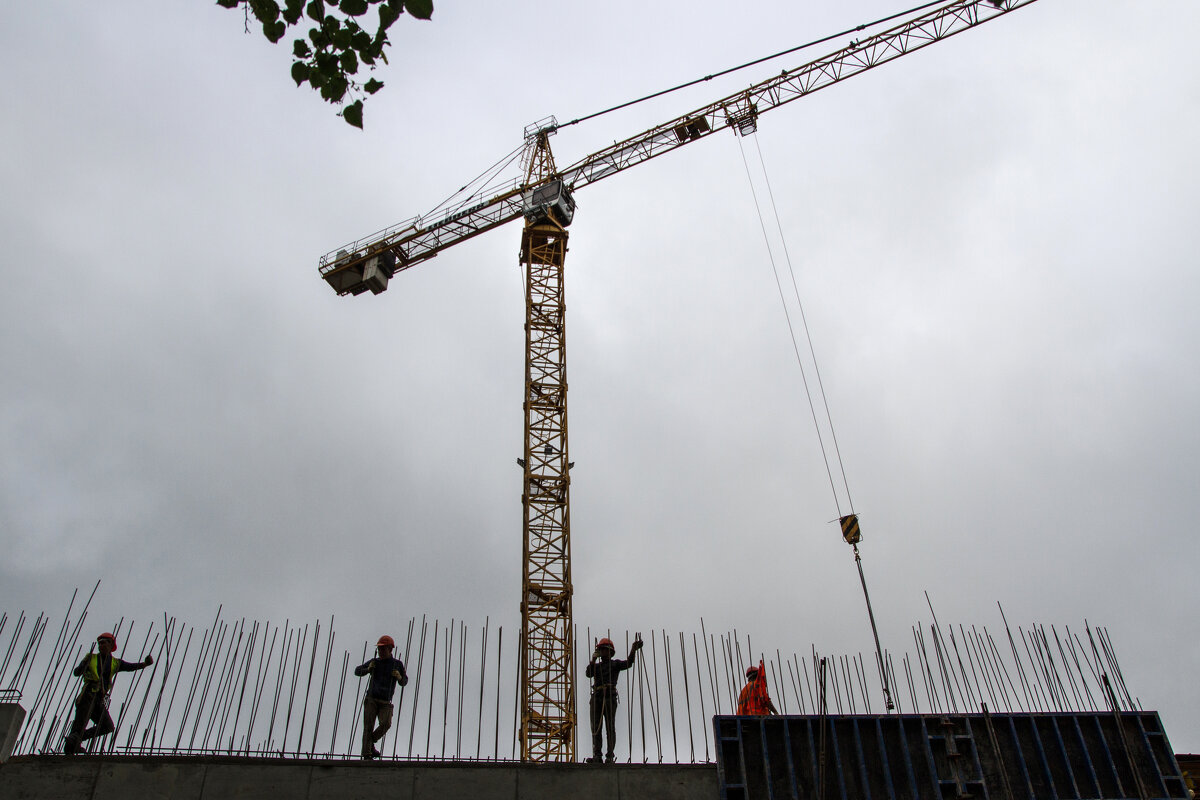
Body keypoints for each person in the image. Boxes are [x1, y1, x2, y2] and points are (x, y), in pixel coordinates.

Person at [63, 632, 153, 754]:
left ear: (111, 645)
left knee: (107, 726)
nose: (101, 646)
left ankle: (76, 739)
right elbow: (76, 672)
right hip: (88, 695)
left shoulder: (115, 663)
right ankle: (72, 745)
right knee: (79, 724)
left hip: (99, 698)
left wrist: (144, 664)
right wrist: (83, 665)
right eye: (99, 644)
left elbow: (130, 667)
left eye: (104, 643)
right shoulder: (91, 657)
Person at [584, 634, 643, 764]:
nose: (602, 652)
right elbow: (588, 673)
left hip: (609, 696)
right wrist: (593, 660)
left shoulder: (615, 664)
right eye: (600, 650)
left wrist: (633, 649)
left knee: (610, 726)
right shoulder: (597, 667)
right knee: (596, 727)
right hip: (597, 696)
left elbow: (628, 663)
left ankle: (610, 755)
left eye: (604, 649)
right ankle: (597, 755)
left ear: (610, 652)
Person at [353, 635, 408, 759]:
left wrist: (399, 677)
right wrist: (368, 669)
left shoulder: (396, 664)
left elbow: (404, 682)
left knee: (386, 723)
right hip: (371, 699)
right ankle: (367, 755)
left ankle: (370, 742)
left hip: (385, 701)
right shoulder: (375, 662)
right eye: (379, 649)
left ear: (390, 649)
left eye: (383, 649)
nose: (380, 651)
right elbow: (357, 671)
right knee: (368, 726)